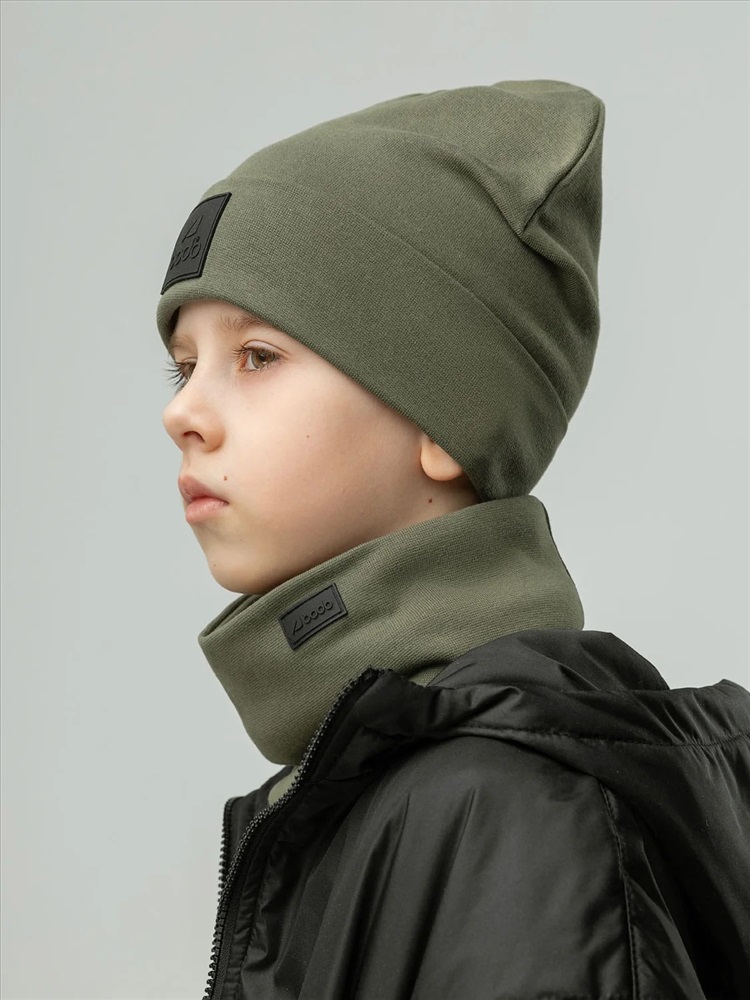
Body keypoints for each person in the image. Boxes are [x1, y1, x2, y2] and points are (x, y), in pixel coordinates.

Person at [156, 80, 750, 1000]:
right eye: (184, 367)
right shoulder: (401, 785)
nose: (183, 413)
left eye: (257, 356)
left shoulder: (505, 808)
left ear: (447, 420)